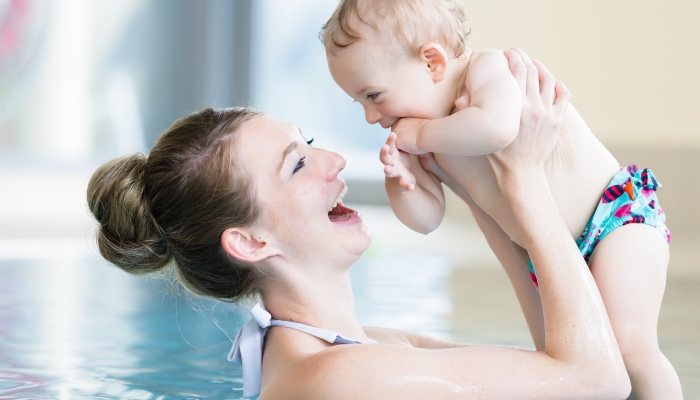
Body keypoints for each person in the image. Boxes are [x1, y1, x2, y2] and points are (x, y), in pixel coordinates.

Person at [86, 53, 630, 398]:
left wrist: (483, 195)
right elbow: (598, 381)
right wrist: (525, 181)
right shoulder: (338, 379)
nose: (336, 163)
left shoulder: (366, 350)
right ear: (251, 241)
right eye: (297, 164)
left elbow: (560, 368)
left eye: (312, 145)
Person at [322, 1, 681, 398]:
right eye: (360, 103)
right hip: (546, 251)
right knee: (575, 360)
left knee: (629, 347)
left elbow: (497, 127)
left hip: (614, 218)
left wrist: (421, 136)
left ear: (432, 62)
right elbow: (427, 219)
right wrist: (400, 181)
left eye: (374, 95)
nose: (372, 116)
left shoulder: (486, 71)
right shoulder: (424, 136)